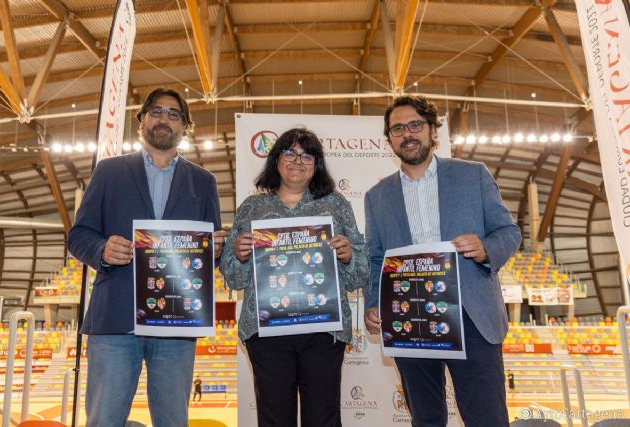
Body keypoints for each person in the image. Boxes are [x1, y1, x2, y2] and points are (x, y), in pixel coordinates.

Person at [68, 88, 226, 427]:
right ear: (141, 120)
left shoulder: (203, 181)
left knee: (172, 422)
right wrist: (102, 250)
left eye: (173, 114)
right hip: (115, 322)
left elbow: (211, 254)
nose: (163, 119)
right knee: (103, 421)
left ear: (185, 126)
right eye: (156, 111)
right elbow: (78, 236)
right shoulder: (109, 171)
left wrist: (216, 249)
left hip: (177, 324)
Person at [364, 96, 521, 427]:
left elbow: (508, 231)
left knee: (487, 418)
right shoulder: (376, 196)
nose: (408, 134)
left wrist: (486, 248)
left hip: (471, 314)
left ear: (433, 130)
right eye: (398, 128)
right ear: (389, 137)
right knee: (426, 418)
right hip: (409, 318)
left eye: (415, 125)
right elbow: (376, 256)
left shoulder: (473, 175)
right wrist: (373, 302)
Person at [220, 128, 369, 427]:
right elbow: (233, 279)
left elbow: (360, 273)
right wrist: (237, 254)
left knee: (324, 419)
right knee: (274, 419)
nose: (297, 160)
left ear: (317, 164)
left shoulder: (336, 204)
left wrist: (349, 255)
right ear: (276, 160)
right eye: (289, 152)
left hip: (323, 330)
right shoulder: (252, 206)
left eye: (306, 154)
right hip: (266, 330)